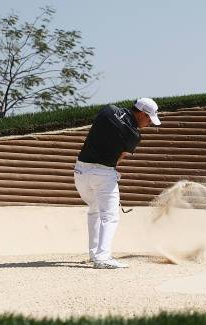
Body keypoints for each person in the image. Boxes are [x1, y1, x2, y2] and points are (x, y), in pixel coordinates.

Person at [74, 98, 161, 269]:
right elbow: (118, 159)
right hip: (103, 174)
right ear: (141, 113)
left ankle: (94, 253)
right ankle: (103, 257)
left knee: (94, 210)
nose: (150, 122)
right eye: (149, 118)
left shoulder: (107, 110)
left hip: (80, 171)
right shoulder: (134, 135)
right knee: (110, 216)